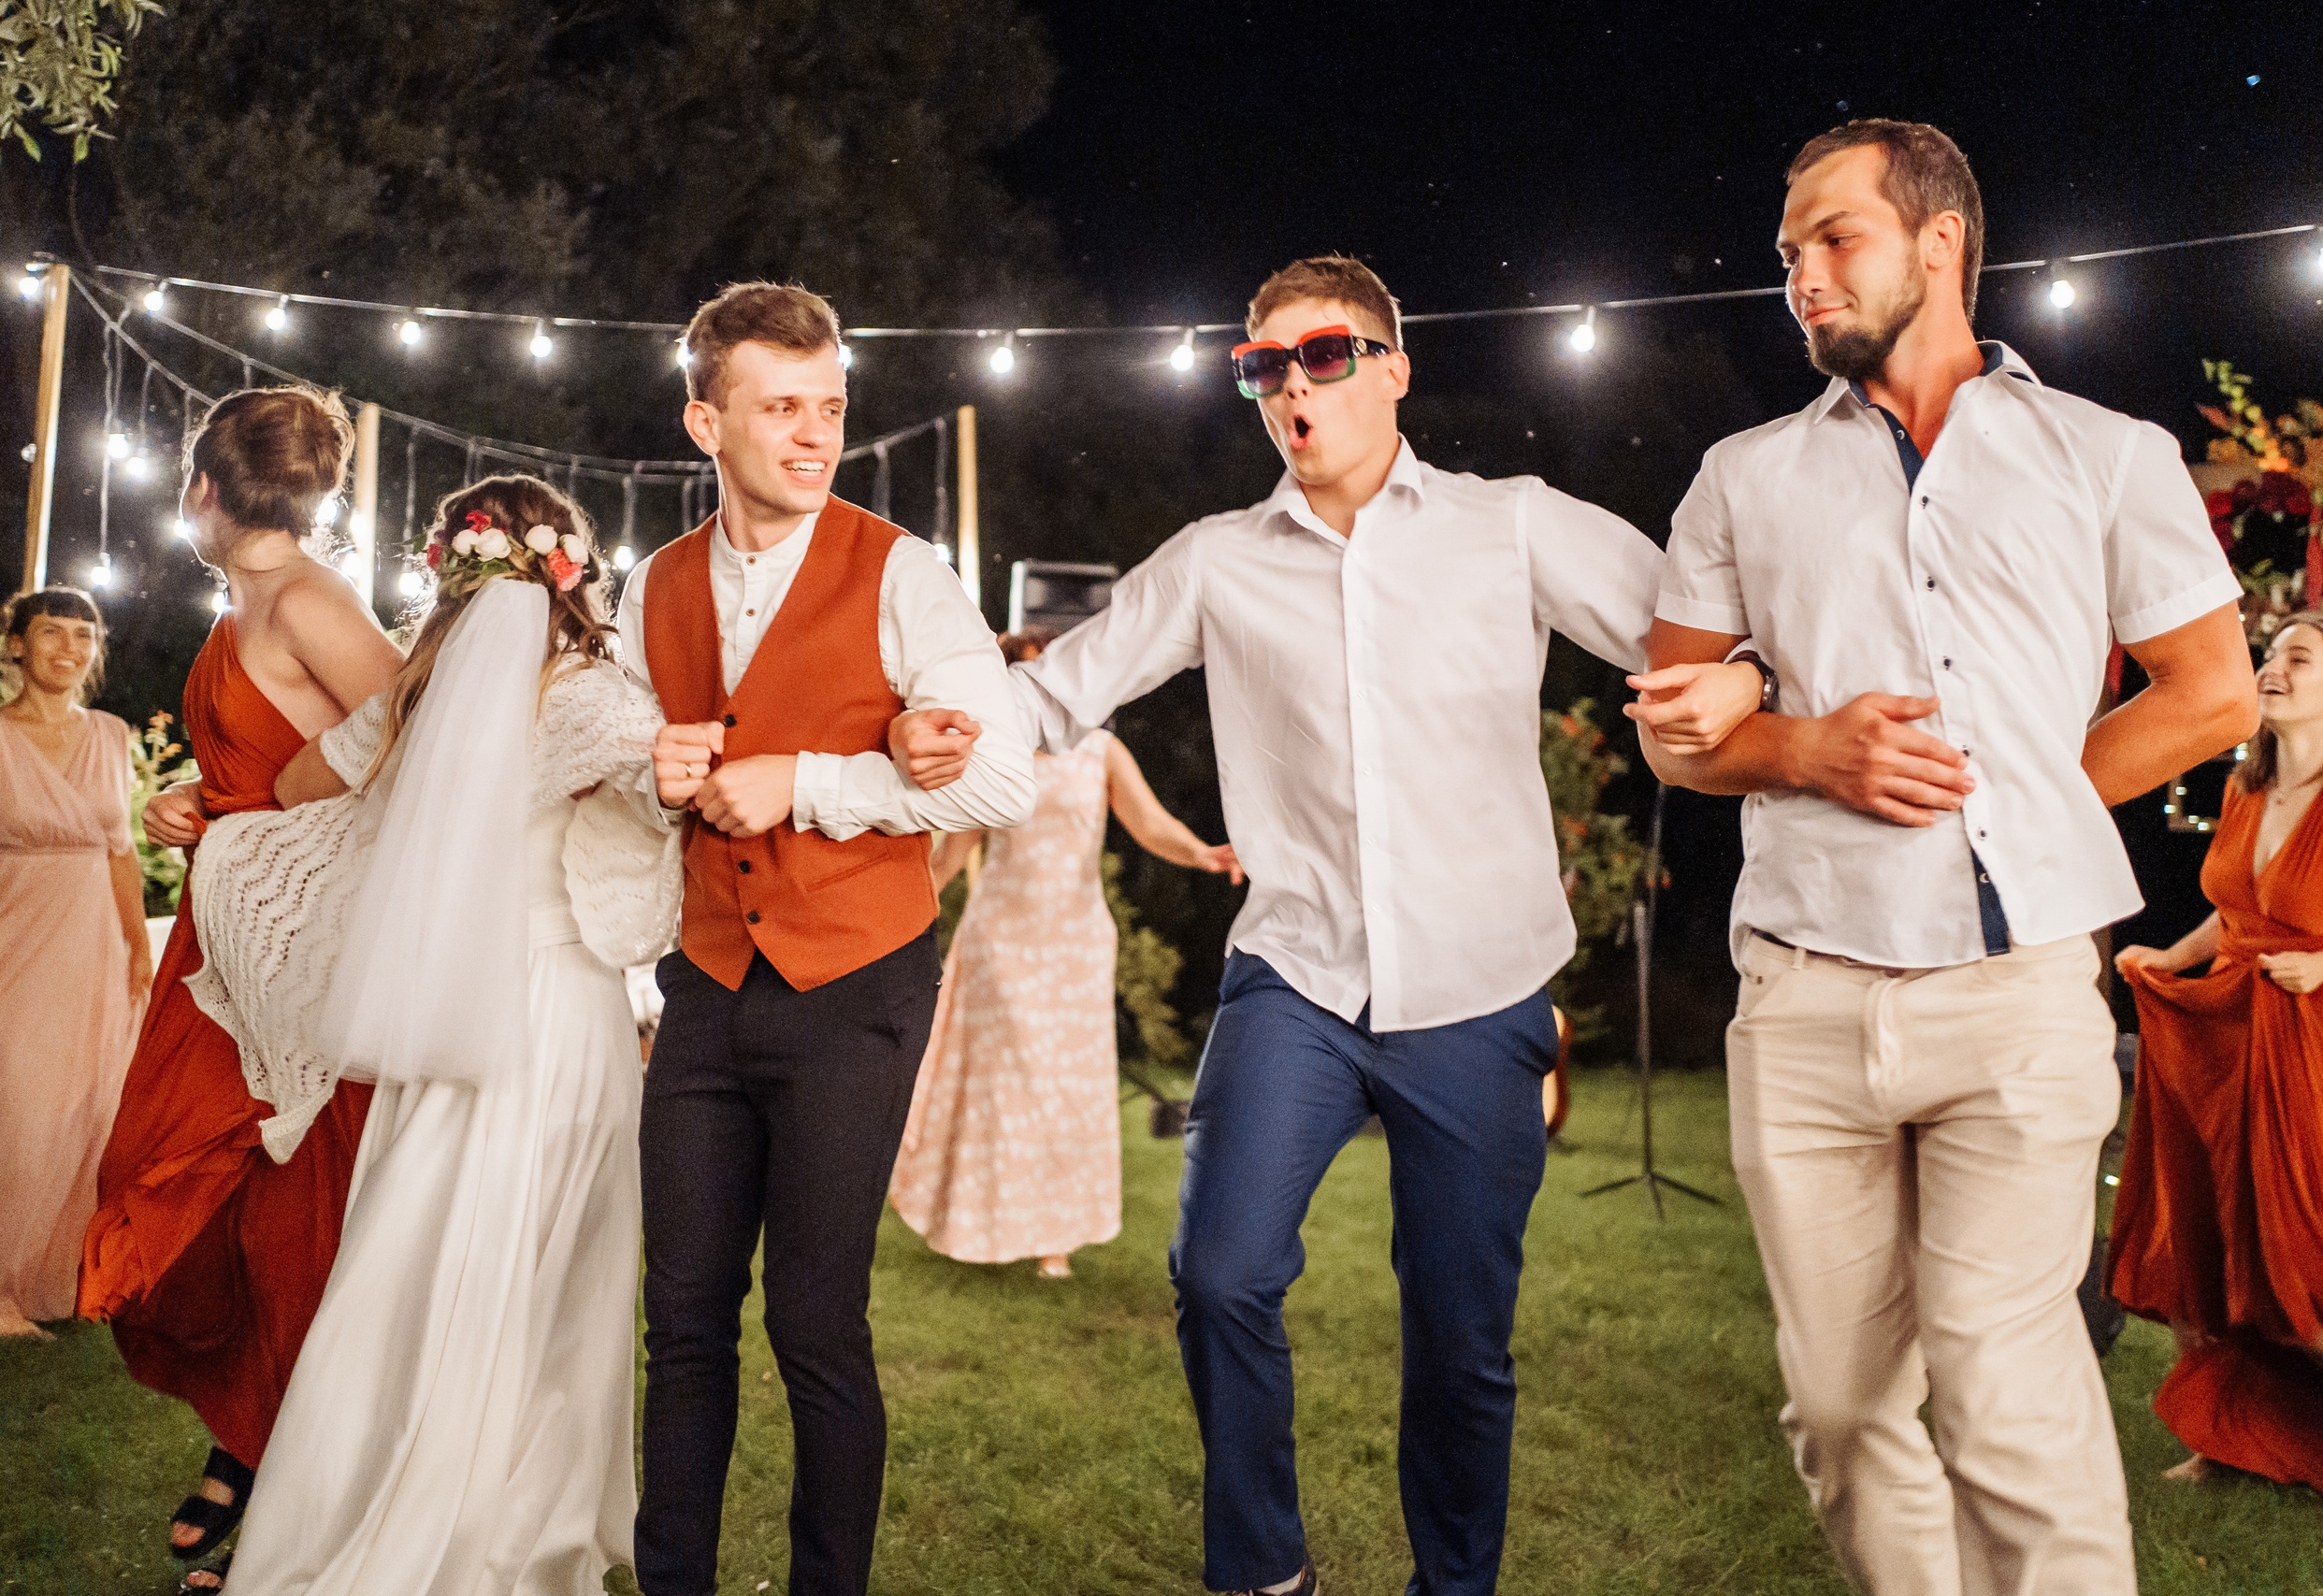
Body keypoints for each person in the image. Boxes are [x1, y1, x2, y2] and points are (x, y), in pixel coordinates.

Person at [894, 254, 1762, 1596]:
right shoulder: (1216, 563)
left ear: (1395, 367)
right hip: (1293, 980)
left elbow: (1701, 635)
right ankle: (1262, 1572)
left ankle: (1452, 1584)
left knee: (1462, 1343)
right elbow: (1052, 696)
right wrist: (927, 720)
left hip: (1477, 994)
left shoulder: (1512, 524)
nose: (1294, 387)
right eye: (1265, 367)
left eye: (1327, 355)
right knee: (1222, 1270)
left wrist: (1754, 677)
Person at [1635, 120, 2258, 1593]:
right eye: (1787, 251)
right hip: (1803, 997)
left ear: (1940, 241)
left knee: (2007, 1390)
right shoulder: (1741, 476)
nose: (1799, 276)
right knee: (1846, 1413)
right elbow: (1675, 726)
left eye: (1832, 238)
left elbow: (2213, 688)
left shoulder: (2108, 454)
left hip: (2017, 995)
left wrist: (2027, 802)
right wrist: (1807, 748)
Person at [180, 475, 683, 1595]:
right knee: (552, 1269)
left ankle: (349, 1509)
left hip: (438, 1018)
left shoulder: (409, 700)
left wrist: (213, 818)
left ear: (449, 574)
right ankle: (517, 1522)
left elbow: (303, 784)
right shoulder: (597, 697)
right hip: (558, 1010)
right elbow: (660, 807)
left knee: (406, 1261)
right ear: (570, 571)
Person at [628, 281, 1038, 1596]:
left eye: (831, 408)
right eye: (781, 407)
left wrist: (809, 780)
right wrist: (654, 766)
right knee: (683, 1321)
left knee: (815, 1320)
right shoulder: (657, 583)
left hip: (853, 984)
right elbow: (626, 775)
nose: (815, 436)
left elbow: (1003, 781)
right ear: (707, 421)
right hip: (701, 988)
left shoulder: (904, 569)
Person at [78, 386, 403, 1592]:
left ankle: (290, 1509)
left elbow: (417, 742)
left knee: (288, 1220)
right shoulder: (252, 597)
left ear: (202, 487)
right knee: (212, 1204)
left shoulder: (311, 600)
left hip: (304, 964)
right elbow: (266, 770)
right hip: (226, 948)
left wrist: (252, 812)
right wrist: (201, 807)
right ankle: (249, 1445)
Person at [2109, 612, 2323, 1493]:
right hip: (2216, 1033)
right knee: (2204, 1235)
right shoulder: (2242, 789)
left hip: (2309, 1042)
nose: (2270, 669)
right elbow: (2232, 916)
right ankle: (2231, 1441)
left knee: (2296, 1266)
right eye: (2268, 656)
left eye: (2295, 659)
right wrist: (2174, 955)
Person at [889, 625, 1241, 1280]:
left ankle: (1057, 1239)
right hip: (1003, 940)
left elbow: (1149, 823)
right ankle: (983, 1224)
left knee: (1064, 1092)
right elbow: (954, 853)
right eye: (1028, 672)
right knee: (1003, 1090)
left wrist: (1201, 852)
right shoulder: (993, 753)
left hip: (1075, 944)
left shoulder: (1100, 750)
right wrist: (893, 908)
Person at [0, 587, 148, 1338]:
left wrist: (138, 949)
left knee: (85, 1109)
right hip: (15, 939)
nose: (68, 647)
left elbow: (119, 850)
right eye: (51, 631)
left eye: (83, 635)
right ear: (17, 644)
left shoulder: (113, 734)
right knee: (15, 1105)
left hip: (93, 943)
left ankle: (60, 1275)